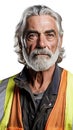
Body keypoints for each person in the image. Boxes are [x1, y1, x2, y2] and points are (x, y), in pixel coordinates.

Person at [0, 5, 73, 130]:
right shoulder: (2, 90)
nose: (41, 44)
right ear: (21, 41)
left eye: (49, 35)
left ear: (60, 41)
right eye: (32, 36)